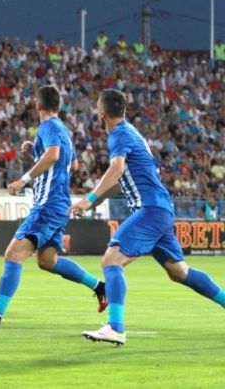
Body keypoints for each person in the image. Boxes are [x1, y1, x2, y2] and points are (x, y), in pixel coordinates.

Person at [70, 89, 225, 346]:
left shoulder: (118, 134)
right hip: (160, 210)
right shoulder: (131, 133)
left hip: (150, 210)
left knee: (111, 260)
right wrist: (92, 202)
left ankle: (115, 327)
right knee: (179, 272)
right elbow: (120, 181)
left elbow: (116, 168)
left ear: (101, 112)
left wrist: (89, 198)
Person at [0, 85, 106, 335]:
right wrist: (37, 152)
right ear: (58, 106)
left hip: (47, 205)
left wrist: (23, 180)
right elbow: (72, 164)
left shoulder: (48, 126)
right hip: (59, 204)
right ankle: (100, 287)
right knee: (48, 261)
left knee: (13, 254)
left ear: (37, 105)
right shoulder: (63, 130)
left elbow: (53, 156)